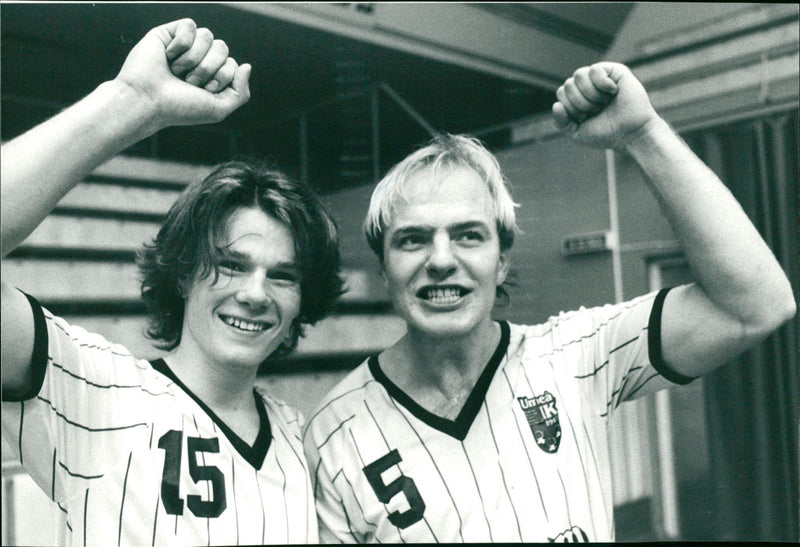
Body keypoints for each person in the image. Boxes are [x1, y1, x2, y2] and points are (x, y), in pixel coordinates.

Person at [302, 62, 796, 542]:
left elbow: (754, 306)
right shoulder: (334, 433)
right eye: (412, 240)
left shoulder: (574, 354)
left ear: (501, 263)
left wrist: (643, 131)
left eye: (468, 236)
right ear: (383, 269)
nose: (441, 260)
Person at [1, 19, 343, 545]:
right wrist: (131, 101)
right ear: (182, 272)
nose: (255, 294)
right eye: (230, 265)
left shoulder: (307, 445)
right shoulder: (98, 394)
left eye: (283, 276)